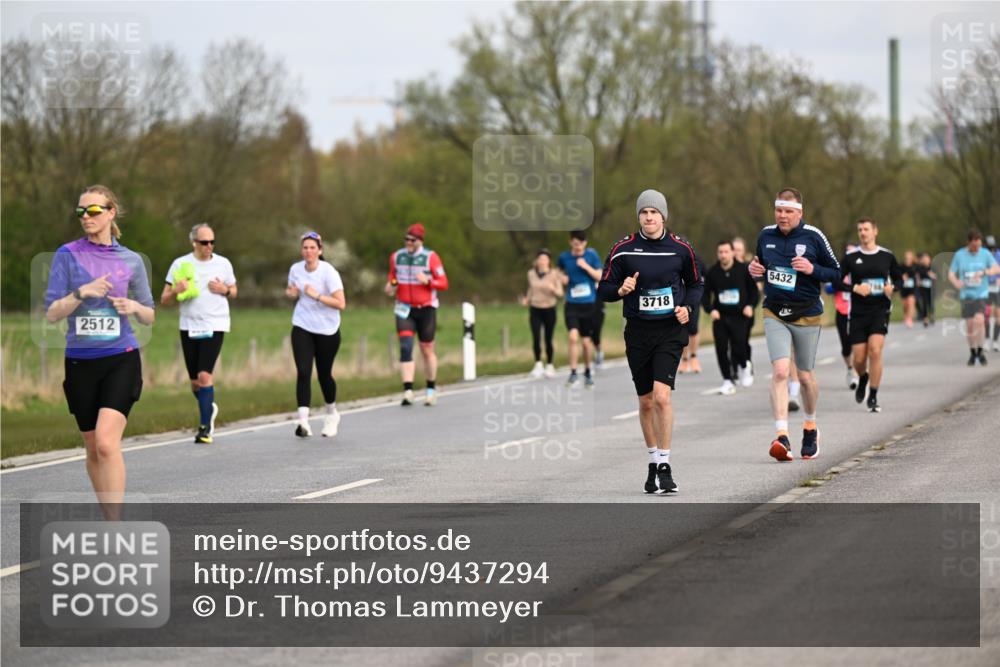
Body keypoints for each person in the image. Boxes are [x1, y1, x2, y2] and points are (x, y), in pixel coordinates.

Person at [44, 185, 155, 519]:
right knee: (93, 447)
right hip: (80, 362)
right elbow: (51, 313)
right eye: (81, 211)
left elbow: (149, 314)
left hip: (121, 358)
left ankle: (115, 525)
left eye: (93, 211)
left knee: (107, 443)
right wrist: (82, 291)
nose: (86, 217)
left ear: (110, 213)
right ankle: (109, 516)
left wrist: (133, 305)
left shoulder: (131, 260)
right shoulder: (67, 255)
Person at [597, 189, 703, 494]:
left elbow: (696, 283)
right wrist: (620, 290)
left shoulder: (681, 249)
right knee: (645, 402)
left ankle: (666, 466)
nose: (649, 217)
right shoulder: (623, 250)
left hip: (670, 331)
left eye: (654, 212)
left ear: (663, 216)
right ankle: (653, 462)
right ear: (638, 216)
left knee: (661, 397)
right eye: (644, 212)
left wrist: (687, 307)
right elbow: (603, 288)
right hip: (638, 332)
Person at [749, 188, 841, 462]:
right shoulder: (766, 236)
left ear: (799, 213)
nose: (783, 215)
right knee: (779, 371)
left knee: (804, 377)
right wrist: (753, 271)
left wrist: (813, 270)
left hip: (807, 313)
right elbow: (759, 265)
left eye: (789, 211)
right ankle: (781, 436)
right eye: (779, 210)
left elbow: (836, 272)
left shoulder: (814, 236)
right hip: (774, 311)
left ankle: (810, 426)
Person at [161, 224, 237, 444]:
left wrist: (225, 290)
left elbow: (234, 291)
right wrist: (176, 290)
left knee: (205, 375)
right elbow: (164, 299)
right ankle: (209, 407)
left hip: (215, 324)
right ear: (193, 242)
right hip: (189, 326)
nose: (209, 246)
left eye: (212, 242)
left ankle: (205, 428)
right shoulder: (180, 264)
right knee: (195, 382)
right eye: (204, 242)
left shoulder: (223, 264)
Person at [838, 219, 902, 413]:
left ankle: (873, 395)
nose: (863, 233)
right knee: (858, 359)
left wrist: (893, 287)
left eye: (866, 229)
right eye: (860, 230)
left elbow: (899, 279)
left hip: (879, 310)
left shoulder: (887, 256)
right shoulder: (851, 257)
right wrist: (855, 287)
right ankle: (863, 377)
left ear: (875, 231)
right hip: (858, 313)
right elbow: (836, 281)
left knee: (875, 350)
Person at [286, 232, 346, 437]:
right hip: (302, 325)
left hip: (327, 330)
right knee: (303, 371)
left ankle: (331, 413)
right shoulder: (295, 269)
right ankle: (303, 422)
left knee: (323, 375)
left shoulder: (329, 272)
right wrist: (291, 294)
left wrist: (317, 296)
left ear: (320, 250)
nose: (308, 251)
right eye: (305, 247)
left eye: (312, 247)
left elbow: (341, 303)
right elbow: (292, 290)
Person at [385, 223, 449, 405]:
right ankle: (408, 391)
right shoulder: (396, 256)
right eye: (406, 239)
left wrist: (428, 281)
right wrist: (390, 286)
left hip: (426, 308)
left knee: (426, 349)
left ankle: (430, 389)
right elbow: (392, 277)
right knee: (405, 347)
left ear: (420, 241)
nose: (408, 243)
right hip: (404, 308)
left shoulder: (431, 257)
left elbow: (444, 283)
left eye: (412, 240)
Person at [702, 239, 758, 394]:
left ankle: (745, 365)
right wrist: (710, 309)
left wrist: (750, 306)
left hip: (740, 315)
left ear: (733, 253)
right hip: (721, 316)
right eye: (720, 252)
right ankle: (727, 379)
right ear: (717, 254)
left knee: (739, 344)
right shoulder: (712, 272)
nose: (723, 255)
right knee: (721, 348)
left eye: (726, 252)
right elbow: (705, 295)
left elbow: (754, 292)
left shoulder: (743, 270)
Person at [948, 229, 1000, 366]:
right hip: (966, 294)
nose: (977, 249)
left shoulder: (985, 253)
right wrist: (956, 283)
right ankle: (973, 352)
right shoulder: (960, 255)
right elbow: (951, 273)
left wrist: (984, 272)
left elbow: (997, 268)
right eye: (974, 246)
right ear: (968, 243)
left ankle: (981, 350)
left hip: (981, 294)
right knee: (970, 325)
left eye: (978, 246)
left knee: (980, 320)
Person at [558, 230, 603, 388]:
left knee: (585, 343)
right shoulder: (564, 257)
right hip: (571, 304)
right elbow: (558, 273)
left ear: (585, 243)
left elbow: (599, 276)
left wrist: (585, 266)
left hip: (589, 304)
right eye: (575, 243)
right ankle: (573, 373)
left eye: (581, 243)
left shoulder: (591, 256)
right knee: (572, 337)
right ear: (571, 242)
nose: (578, 247)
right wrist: (562, 278)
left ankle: (588, 371)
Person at [522, 249, 563, 378]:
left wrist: (553, 289)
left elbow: (560, 293)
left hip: (549, 308)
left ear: (549, 261)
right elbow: (530, 289)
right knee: (536, 337)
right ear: (537, 261)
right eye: (540, 259)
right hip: (535, 308)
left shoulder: (554, 274)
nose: (542, 261)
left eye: (545, 259)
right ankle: (538, 364)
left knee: (548, 338)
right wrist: (527, 299)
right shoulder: (531, 274)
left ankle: (550, 365)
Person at [827, 243, 859, 389]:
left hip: (859, 312)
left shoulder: (862, 271)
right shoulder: (839, 271)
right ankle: (850, 369)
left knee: (859, 344)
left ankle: (859, 373)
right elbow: (829, 287)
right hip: (842, 311)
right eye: (848, 253)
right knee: (846, 346)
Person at [678, 251, 705, 374]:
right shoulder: (672, 257)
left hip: (692, 301)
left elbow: (703, 279)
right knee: (682, 330)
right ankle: (684, 359)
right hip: (678, 301)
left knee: (693, 329)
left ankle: (694, 357)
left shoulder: (697, 258)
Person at [915, 251, 937, 327]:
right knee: (924, 302)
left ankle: (932, 315)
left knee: (930, 302)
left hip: (931, 288)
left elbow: (937, 276)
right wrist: (918, 281)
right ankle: (925, 318)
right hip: (923, 287)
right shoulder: (920, 267)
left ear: (929, 259)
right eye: (924, 259)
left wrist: (933, 276)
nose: (925, 260)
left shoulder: (933, 267)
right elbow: (918, 276)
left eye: (926, 258)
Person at [987, 235, 1000, 351]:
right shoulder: (982, 256)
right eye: (989, 249)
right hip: (986, 289)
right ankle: (987, 340)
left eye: (993, 249)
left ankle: (996, 341)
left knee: (998, 315)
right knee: (986, 314)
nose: (991, 251)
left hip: (997, 288)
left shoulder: (999, 255)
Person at [899, 250, 918, 328]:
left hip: (912, 288)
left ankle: (910, 319)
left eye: (909, 256)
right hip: (904, 288)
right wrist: (902, 277)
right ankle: (906, 316)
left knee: (911, 302)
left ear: (912, 257)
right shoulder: (901, 266)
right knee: (905, 305)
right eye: (906, 256)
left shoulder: (915, 266)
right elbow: (897, 274)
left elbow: (919, 273)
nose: (908, 258)